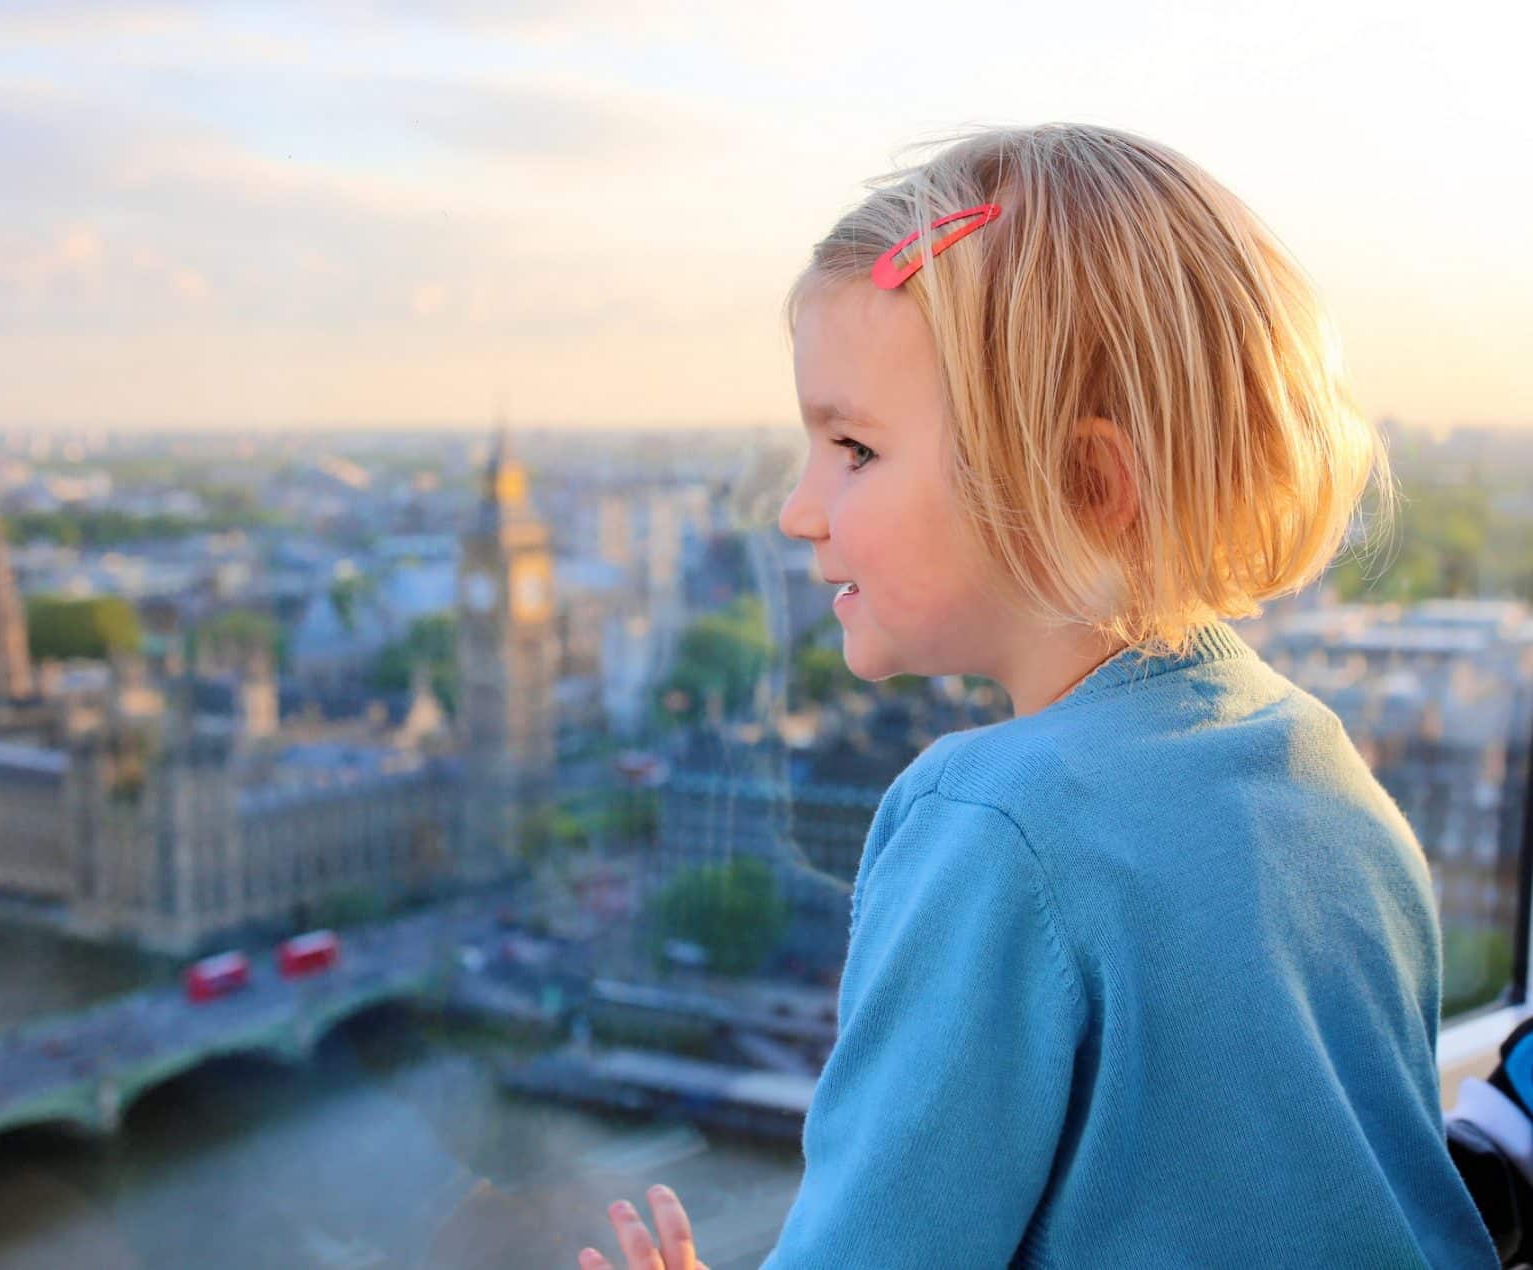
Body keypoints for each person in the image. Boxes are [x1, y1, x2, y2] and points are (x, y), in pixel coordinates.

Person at [578, 122, 1500, 1268]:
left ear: (1086, 481)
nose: (798, 509)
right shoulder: (1325, 772)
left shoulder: (992, 823)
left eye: (854, 449)